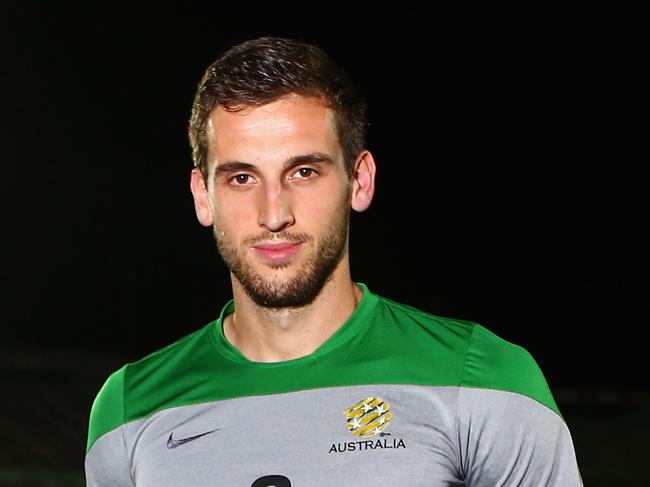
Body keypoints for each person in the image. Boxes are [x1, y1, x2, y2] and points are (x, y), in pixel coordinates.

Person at [84, 36, 583, 486]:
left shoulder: (482, 379)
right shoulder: (128, 409)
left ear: (359, 180)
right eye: (242, 178)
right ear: (202, 195)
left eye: (303, 171)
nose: (273, 213)